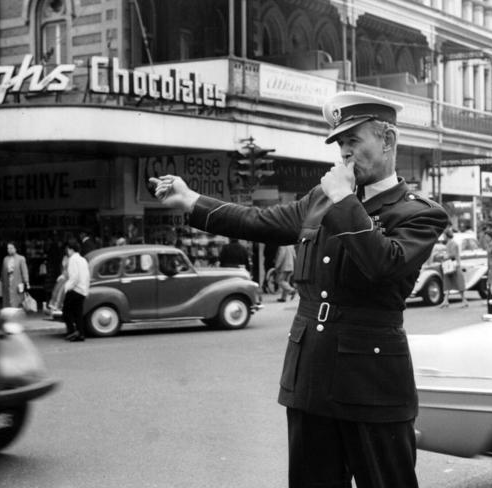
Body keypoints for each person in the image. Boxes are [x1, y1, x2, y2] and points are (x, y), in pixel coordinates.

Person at [149, 91, 448, 488]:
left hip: (372, 384)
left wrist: (344, 200)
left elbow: (384, 264)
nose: (345, 154)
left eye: (353, 142)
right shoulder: (322, 198)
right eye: (340, 144)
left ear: (388, 141)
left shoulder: (418, 212)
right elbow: (259, 220)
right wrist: (190, 201)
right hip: (310, 377)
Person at [63, 239, 90, 342]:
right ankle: (80, 333)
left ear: (70, 249)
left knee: (66, 312)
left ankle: (72, 331)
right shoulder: (83, 259)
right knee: (78, 313)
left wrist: (67, 287)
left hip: (75, 289)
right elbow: (87, 275)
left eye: (67, 249)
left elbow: (74, 277)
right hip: (83, 289)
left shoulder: (73, 260)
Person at [440, 228, 468, 308]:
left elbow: (453, 254)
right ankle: (445, 301)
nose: (443, 236)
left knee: (458, 282)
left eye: (444, 235)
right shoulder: (449, 243)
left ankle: (464, 300)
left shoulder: (453, 243)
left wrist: (444, 256)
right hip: (449, 265)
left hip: (453, 265)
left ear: (447, 235)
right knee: (447, 283)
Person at [0, 242, 30, 307]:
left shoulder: (21, 258)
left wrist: (26, 281)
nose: (9, 250)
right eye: (8, 248)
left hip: (17, 281)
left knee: (17, 299)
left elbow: (24, 271)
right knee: (7, 298)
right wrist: (1, 281)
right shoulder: (5, 259)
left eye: (11, 248)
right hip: (7, 281)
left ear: (15, 248)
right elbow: (3, 271)